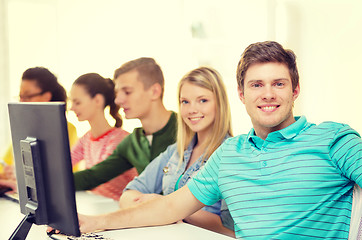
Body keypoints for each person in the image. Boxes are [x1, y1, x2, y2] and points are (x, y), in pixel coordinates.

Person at [77, 41, 362, 240]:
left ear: (295, 89)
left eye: (279, 83)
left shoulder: (333, 138)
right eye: (256, 85)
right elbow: (168, 207)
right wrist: (94, 222)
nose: (268, 94)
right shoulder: (229, 154)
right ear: (241, 94)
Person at [119, 67, 234, 237]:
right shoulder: (175, 152)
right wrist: (159, 207)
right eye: (185, 102)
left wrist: (169, 209)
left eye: (202, 100)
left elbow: (230, 229)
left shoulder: (231, 155)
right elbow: (128, 194)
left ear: (220, 103)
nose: (191, 109)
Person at [73, 57, 177, 192]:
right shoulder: (132, 142)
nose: (118, 100)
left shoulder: (188, 130)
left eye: (127, 92)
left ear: (154, 92)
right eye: (117, 93)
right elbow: (92, 176)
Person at [0, 67, 78, 191]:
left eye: (27, 96)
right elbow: (3, 166)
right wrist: (9, 175)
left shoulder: (66, 130)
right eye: (20, 97)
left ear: (46, 96)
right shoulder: (24, 130)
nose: (22, 102)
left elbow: (62, 175)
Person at [70, 73, 138, 200]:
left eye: (77, 102)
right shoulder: (86, 139)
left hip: (119, 208)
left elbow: (96, 176)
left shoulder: (119, 140)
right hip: (96, 206)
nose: (72, 108)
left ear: (97, 100)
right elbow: (65, 162)